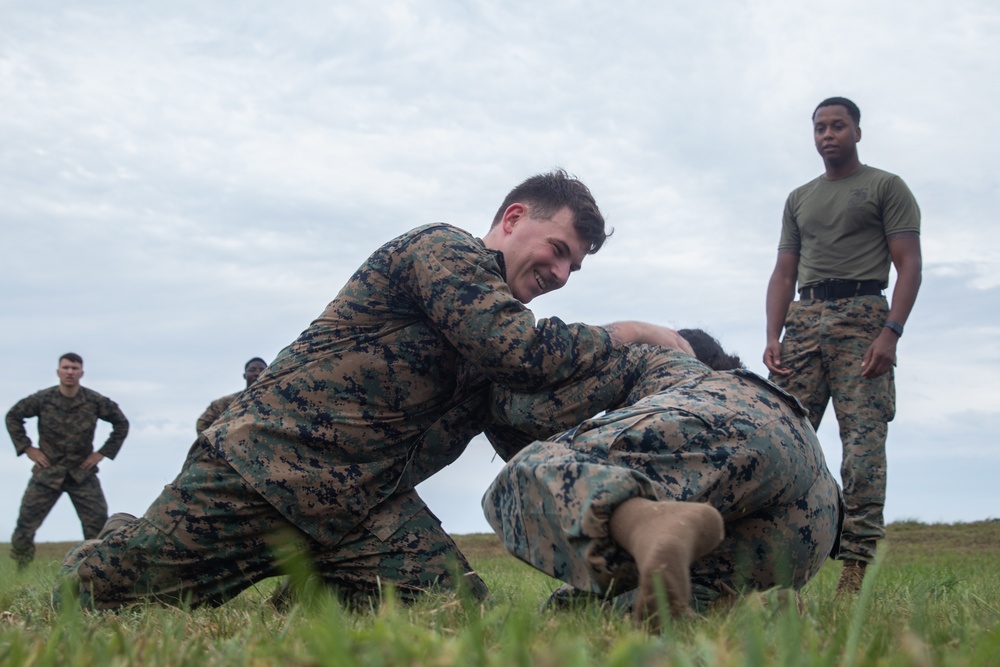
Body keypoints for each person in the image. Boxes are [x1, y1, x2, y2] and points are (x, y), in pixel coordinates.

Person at [58, 169, 692, 610]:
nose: (559, 274)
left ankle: (316, 590)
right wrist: (630, 333)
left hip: (362, 506)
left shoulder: (492, 330)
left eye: (572, 267)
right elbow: (519, 351)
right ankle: (120, 537)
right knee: (97, 596)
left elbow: (522, 431)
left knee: (454, 609)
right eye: (557, 250)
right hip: (267, 473)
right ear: (513, 218)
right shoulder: (442, 252)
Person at [483, 330, 842, 627]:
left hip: (729, 419)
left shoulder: (676, 365)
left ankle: (645, 523)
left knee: (526, 471)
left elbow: (566, 365)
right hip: (812, 516)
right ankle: (751, 614)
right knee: (584, 613)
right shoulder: (783, 415)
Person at [763, 97, 922, 593]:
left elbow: (909, 264)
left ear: (857, 131)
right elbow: (784, 271)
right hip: (804, 322)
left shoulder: (885, 186)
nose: (827, 135)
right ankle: (775, 563)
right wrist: (773, 334)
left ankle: (855, 567)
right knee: (782, 440)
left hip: (864, 318)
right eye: (819, 128)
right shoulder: (799, 198)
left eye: (837, 126)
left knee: (863, 450)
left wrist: (890, 333)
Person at [6, 353, 129, 569]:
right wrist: (27, 448)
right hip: (47, 472)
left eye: (74, 368)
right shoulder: (43, 399)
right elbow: (13, 416)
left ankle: (97, 572)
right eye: (65, 368)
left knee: (98, 527)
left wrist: (101, 454)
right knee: (25, 526)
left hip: (82, 473)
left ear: (81, 372)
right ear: (58, 372)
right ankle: (20, 570)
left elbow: (121, 423)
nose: (70, 372)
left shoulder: (94, 401)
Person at [195, 358, 268, 435]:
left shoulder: (274, 399)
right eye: (252, 370)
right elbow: (203, 423)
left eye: (262, 370)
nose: (257, 373)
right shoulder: (228, 402)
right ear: (244, 375)